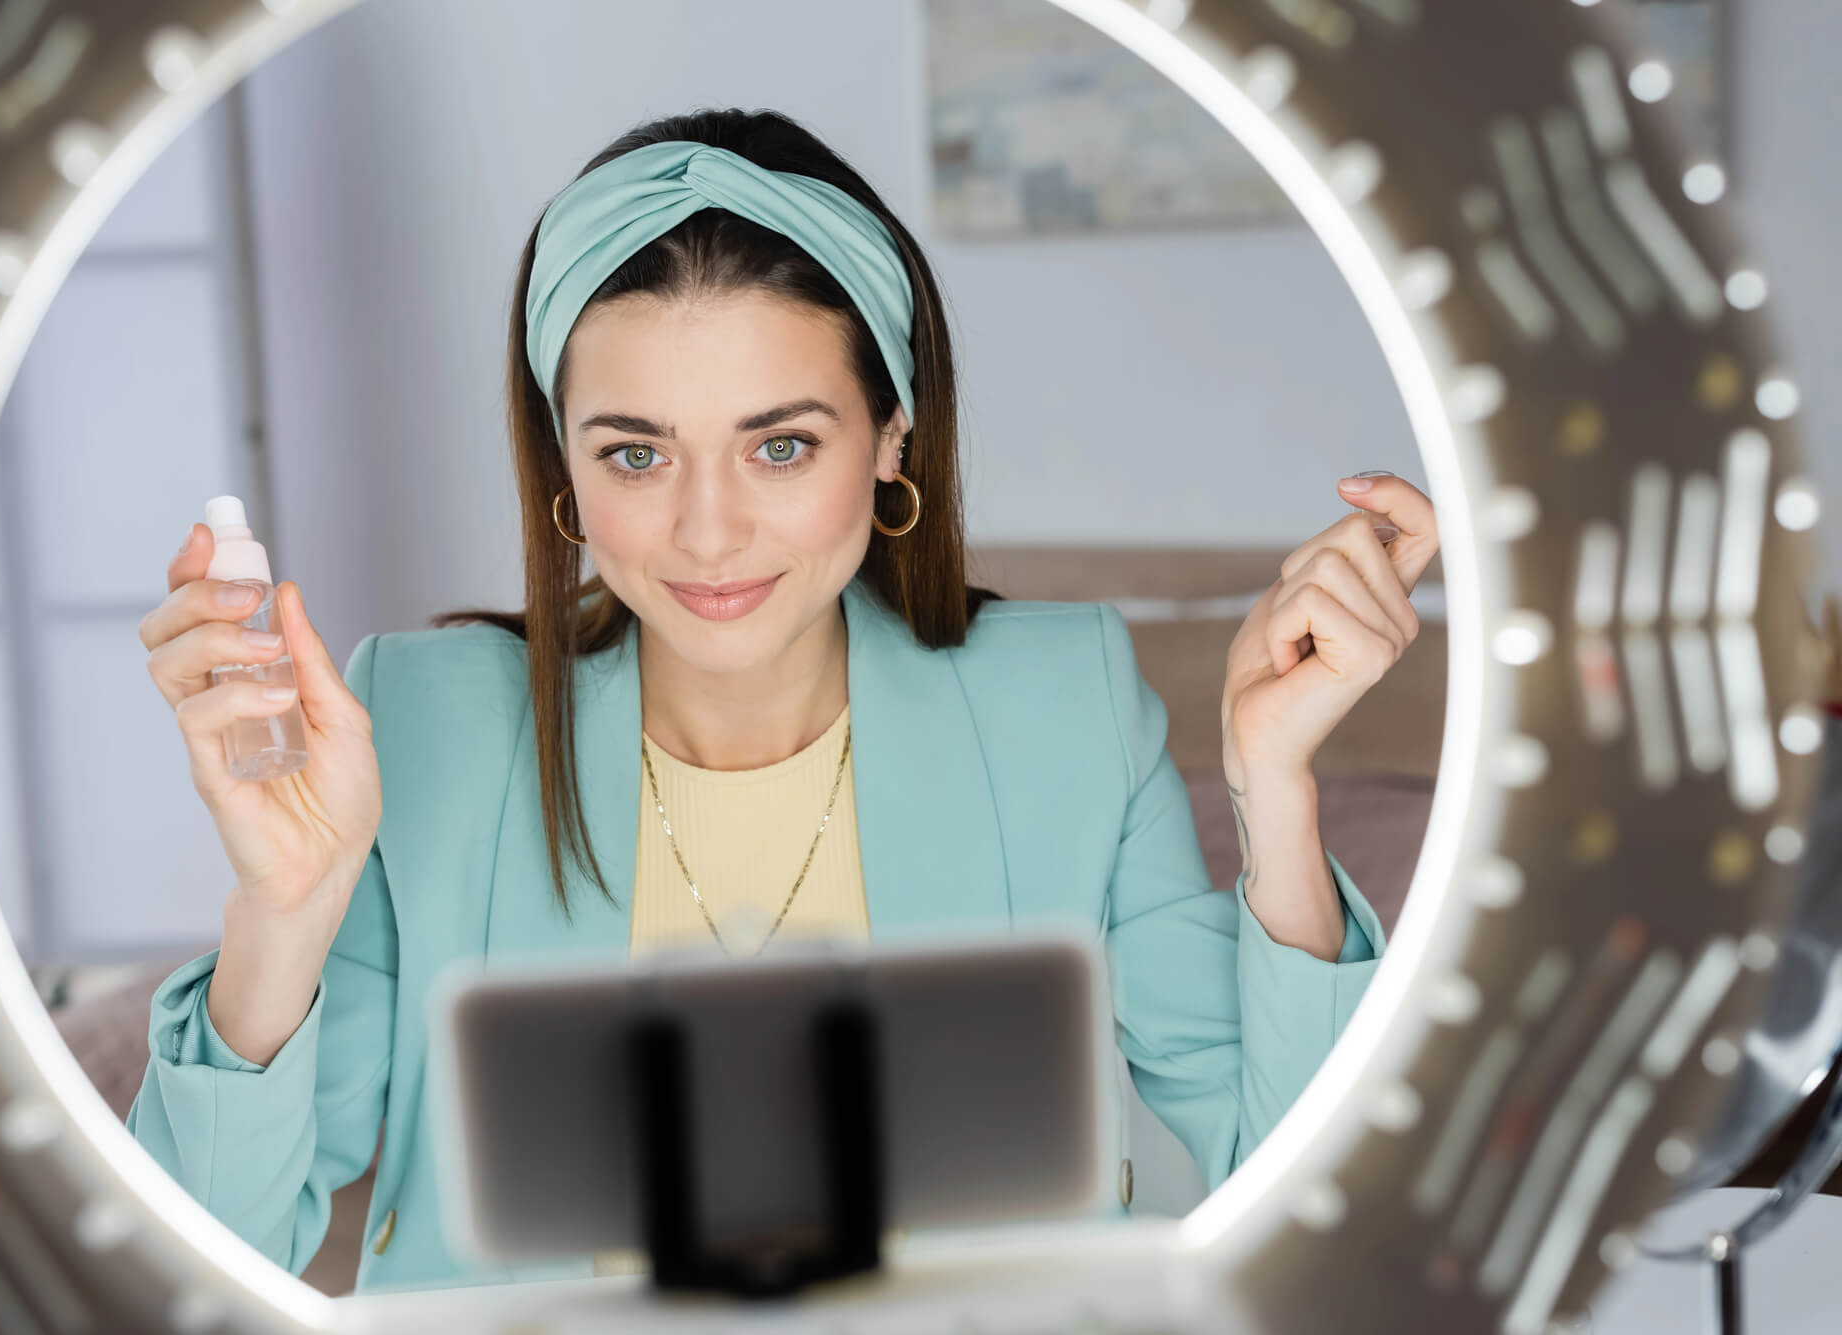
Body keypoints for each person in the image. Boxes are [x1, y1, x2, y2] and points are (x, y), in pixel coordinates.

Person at [128, 107, 1438, 1295]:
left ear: (893, 441)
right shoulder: (424, 724)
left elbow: (1310, 1190)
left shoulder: (1064, 705)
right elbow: (193, 1259)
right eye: (637, 452)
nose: (709, 532)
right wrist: (282, 917)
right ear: (563, 476)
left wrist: (1275, 788)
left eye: (782, 444)